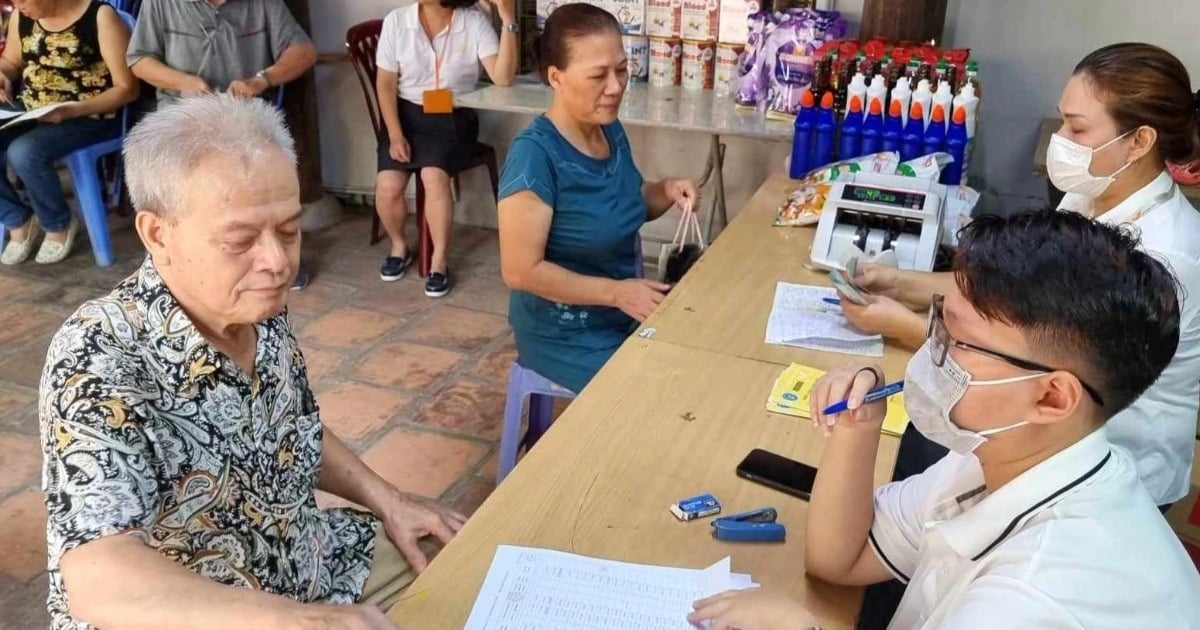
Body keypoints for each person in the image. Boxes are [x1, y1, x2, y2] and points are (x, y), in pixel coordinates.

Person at [39, 95, 462, 630]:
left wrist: (390, 500)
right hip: (203, 615)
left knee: (464, 564)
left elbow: (291, 425)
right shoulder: (98, 356)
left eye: (288, 230)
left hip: (308, 565)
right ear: (156, 233)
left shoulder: (253, 305)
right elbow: (99, 576)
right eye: (240, 240)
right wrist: (293, 622)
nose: (278, 262)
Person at [689, 210, 1200, 630]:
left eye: (956, 341)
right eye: (940, 322)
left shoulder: (1037, 596)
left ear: (1051, 397)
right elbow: (838, 560)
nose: (932, 353)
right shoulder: (1002, 458)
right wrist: (858, 425)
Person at [841, 43, 1200, 509]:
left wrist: (902, 326)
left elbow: (1045, 365)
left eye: (1078, 127)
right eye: (1063, 119)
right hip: (1043, 421)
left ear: (1139, 141)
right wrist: (900, 284)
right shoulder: (1090, 198)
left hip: (1114, 462)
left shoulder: (1165, 255)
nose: (1062, 140)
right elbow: (1014, 294)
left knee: (922, 463)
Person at [497, 3, 698, 394]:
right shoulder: (535, 157)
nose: (616, 86)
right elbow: (520, 271)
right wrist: (616, 292)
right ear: (556, 77)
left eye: (621, 70)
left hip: (620, 313)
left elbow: (628, 202)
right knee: (666, 393)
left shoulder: (608, 130)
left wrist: (666, 190)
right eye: (598, 75)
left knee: (700, 359)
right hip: (565, 335)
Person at [126, 0, 318, 290]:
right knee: (181, 191)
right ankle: (174, 261)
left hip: (242, 117)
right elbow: (139, 60)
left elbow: (303, 52)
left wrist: (261, 80)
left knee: (260, 180)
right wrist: (184, 82)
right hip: (181, 115)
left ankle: (272, 257)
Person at [374, 0, 518, 298]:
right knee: (388, 185)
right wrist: (395, 133)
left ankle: (438, 260)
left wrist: (508, 20)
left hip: (453, 115)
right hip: (406, 115)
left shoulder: (473, 21)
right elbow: (385, 85)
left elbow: (502, 77)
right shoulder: (397, 21)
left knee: (433, 176)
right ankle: (399, 245)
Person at [0, 0, 137, 266]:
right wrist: (3, 74)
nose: (19, 6)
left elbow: (127, 89)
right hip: (35, 110)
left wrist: (73, 111)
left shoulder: (101, 17)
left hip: (92, 114)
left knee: (24, 152)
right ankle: (18, 220)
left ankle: (57, 222)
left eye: (24, 0)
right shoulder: (22, 16)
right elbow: (11, 61)